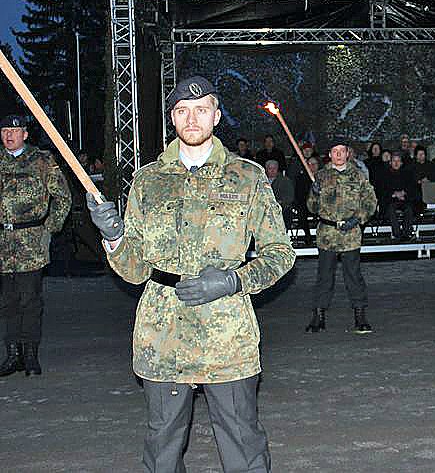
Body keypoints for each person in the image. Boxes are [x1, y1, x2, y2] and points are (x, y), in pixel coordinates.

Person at [86, 76, 296, 472]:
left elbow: (280, 255)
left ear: (216, 117)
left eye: (202, 110)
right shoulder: (149, 180)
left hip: (227, 333)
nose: (192, 118)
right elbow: (134, 271)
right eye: (182, 111)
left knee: (242, 441)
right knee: (162, 444)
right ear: (173, 119)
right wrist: (113, 236)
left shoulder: (246, 177)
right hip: (163, 333)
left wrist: (235, 280)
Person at [0, 116, 71, 377]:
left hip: (31, 240)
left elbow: (62, 196)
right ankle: (12, 355)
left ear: (25, 135)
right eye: (5, 130)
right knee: (7, 301)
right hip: (3, 243)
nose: (9, 135)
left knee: (29, 299)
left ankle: (30, 356)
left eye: (14, 131)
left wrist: (50, 227)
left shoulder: (41, 160)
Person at [306, 137, 377, 334]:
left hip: (350, 234)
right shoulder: (320, 176)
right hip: (327, 234)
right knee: (324, 276)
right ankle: (318, 316)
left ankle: (360, 316)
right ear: (329, 154)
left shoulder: (358, 176)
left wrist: (359, 219)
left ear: (348, 153)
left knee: (353, 276)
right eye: (334, 151)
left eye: (342, 151)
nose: (338, 154)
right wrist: (313, 193)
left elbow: (371, 202)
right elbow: (311, 208)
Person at [380, 151, 418, 240]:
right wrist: (394, 194)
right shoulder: (385, 175)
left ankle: (406, 233)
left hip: (405, 199)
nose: (396, 163)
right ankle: (396, 234)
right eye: (394, 161)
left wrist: (403, 193)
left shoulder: (408, 174)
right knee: (390, 208)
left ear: (401, 163)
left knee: (409, 208)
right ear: (390, 162)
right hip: (391, 200)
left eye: (398, 161)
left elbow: (412, 188)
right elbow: (382, 190)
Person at [293, 155, 320, 247]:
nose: (312, 166)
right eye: (309, 164)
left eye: (314, 164)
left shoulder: (323, 177)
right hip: (306, 204)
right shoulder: (301, 178)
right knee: (301, 211)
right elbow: (299, 194)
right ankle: (308, 237)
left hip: (322, 204)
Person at [265, 160, 295, 229]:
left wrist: (279, 202)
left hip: (282, 208)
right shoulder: (262, 181)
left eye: (274, 168)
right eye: (270, 168)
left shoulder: (285, 181)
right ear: (266, 170)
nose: (272, 170)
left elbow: (290, 197)